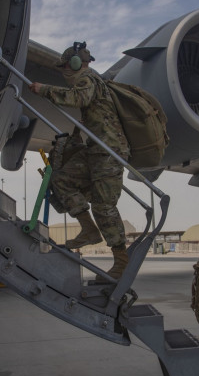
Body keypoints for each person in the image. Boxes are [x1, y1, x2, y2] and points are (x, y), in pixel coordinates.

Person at [28, 42, 130, 280]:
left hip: (109, 150)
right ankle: (89, 229)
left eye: (65, 67)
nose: (65, 72)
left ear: (75, 64)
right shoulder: (92, 81)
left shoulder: (89, 79)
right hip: (96, 149)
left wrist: (44, 89)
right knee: (61, 179)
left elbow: (79, 99)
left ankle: (121, 260)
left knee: (104, 206)